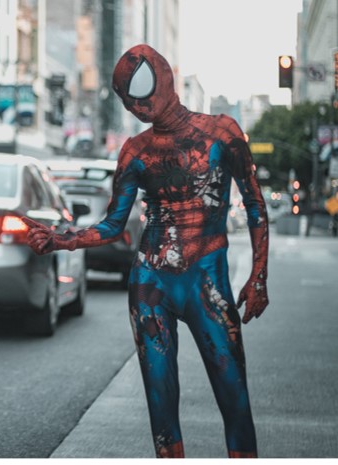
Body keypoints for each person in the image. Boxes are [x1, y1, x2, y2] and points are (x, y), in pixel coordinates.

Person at [23, 44, 269, 458]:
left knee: (235, 399)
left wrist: (258, 276)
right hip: (150, 285)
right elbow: (113, 224)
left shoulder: (222, 132)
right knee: (160, 405)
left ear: (164, 74)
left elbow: (257, 205)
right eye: (126, 96)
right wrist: (62, 238)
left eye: (140, 86)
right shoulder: (135, 151)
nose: (137, 103)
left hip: (206, 280)